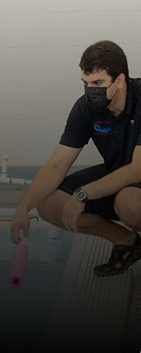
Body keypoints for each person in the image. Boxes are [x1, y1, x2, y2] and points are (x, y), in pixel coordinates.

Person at [10, 40, 141, 277]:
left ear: (120, 80)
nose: (91, 90)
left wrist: (84, 193)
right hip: (119, 171)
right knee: (49, 204)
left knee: (129, 203)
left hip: (136, 175)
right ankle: (127, 242)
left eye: (98, 83)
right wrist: (24, 207)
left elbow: (137, 170)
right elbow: (57, 164)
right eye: (86, 83)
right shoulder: (86, 109)